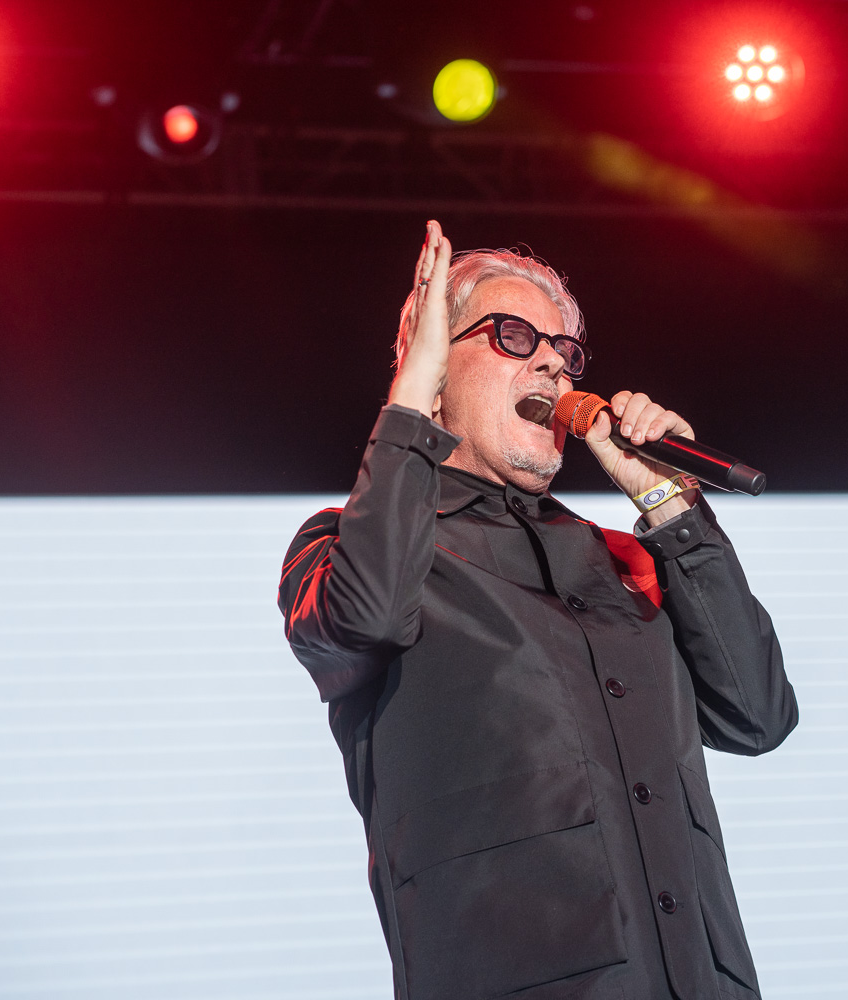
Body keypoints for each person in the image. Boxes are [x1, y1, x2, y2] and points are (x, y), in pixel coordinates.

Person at [278, 221, 798, 1000]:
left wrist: (666, 499)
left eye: (566, 350)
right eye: (514, 336)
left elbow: (758, 716)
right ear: (433, 371)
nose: (554, 362)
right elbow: (365, 619)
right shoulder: (352, 548)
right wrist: (408, 402)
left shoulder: (625, 557)